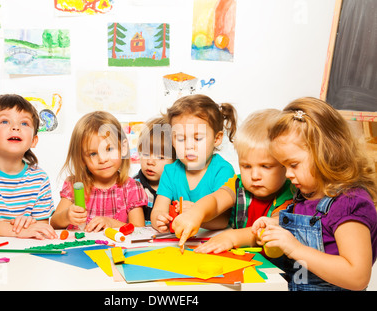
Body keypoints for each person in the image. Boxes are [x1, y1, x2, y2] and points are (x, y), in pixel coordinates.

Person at [251, 97, 377, 291]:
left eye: (293, 164)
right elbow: (315, 227)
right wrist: (277, 226)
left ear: (326, 152)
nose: (288, 174)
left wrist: (295, 248)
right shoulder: (306, 195)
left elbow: (357, 276)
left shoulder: (349, 204)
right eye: (284, 166)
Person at [173, 109, 294, 254]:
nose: (254, 175)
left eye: (266, 166)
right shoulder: (238, 183)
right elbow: (216, 201)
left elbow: (271, 229)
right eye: (246, 166)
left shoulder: (290, 195)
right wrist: (195, 213)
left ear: (285, 165)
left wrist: (231, 237)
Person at [0, 94, 57, 240]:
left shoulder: (40, 178)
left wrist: (30, 225)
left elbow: (42, 229)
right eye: (5, 121)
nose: (15, 127)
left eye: (24, 123)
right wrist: (18, 230)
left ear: (34, 140)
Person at [151, 94, 237, 232]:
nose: (189, 146)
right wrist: (159, 219)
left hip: (214, 241)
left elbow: (222, 221)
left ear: (217, 138)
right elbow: (158, 210)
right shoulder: (170, 172)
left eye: (197, 138)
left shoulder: (223, 170)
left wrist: (195, 215)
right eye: (180, 139)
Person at [50, 111, 148, 232]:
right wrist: (66, 216)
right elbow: (54, 223)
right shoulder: (75, 185)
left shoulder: (131, 188)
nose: (102, 159)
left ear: (122, 148)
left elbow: (139, 230)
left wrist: (111, 223)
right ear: (82, 159)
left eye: (109, 149)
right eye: (93, 153)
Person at [133, 117, 176, 224]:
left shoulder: (178, 186)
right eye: (146, 154)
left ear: (175, 160)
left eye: (160, 157)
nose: (150, 162)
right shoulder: (133, 186)